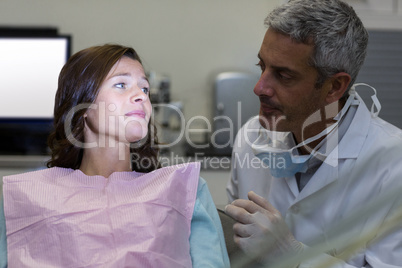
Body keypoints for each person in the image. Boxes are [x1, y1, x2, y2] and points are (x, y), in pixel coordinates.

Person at [0, 44, 230, 267]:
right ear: (81, 108)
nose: (141, 95)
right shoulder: (24, 196)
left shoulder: (185, 189)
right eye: (121, 85)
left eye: (145, 89)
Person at [225, 0, 402, 267]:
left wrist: (295, 256)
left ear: (334, 86)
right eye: (262, 66)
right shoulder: (252, 136)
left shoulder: (393, 166)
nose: (260, 88)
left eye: (283, 75)